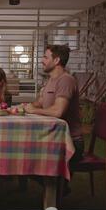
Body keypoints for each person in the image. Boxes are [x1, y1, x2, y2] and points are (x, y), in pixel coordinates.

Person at [23, 44, 84, 195]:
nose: (42, 60)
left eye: (45, 57)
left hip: (69, 141)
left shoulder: (66, 80)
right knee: (22, 151)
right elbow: (39, 102)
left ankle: (56, 185)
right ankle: (55, 184)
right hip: (52, 136)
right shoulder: (51, 80)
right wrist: (22, 107)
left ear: (56, 60)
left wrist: (34, 110)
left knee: (26, 156)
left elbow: (58, 111)